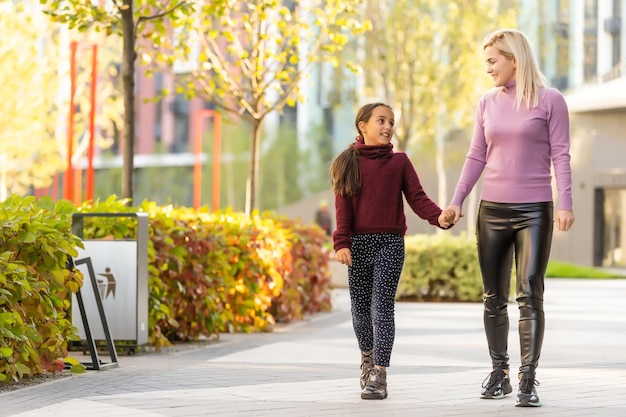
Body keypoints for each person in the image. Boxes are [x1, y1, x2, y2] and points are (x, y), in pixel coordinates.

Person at [445, 29, 575, 408]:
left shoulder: (551, 101)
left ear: (514, 59)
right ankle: (499, 373)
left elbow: (562, 155)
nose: (487, 69)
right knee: (492, 297)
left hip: (535, 210)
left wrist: (564, 201)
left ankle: (528, 380)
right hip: (492, 211)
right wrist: (456, 201)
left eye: (492, 61)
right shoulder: (486, 102)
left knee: (530, 292)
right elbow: (476, 156)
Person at [329, 102, 454, 400]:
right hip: (358, 246)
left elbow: (418, 198)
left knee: (381, 307)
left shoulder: (400, 162)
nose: (387, 127)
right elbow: (342, 207)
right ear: (363, 125)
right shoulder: (346, 163)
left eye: (391, 122)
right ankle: (368, 360)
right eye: (381, 121)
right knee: (359, 310)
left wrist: (439, 217)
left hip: (389, 244)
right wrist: (341, 242)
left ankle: (380, 374)